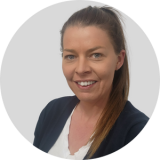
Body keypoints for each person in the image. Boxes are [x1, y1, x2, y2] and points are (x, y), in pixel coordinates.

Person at [33, 5, 149, 160]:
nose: (81, 69)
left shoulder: (136, 130)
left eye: (95, 55)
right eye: (71, 56)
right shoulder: (52, 112)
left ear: (119, 60)